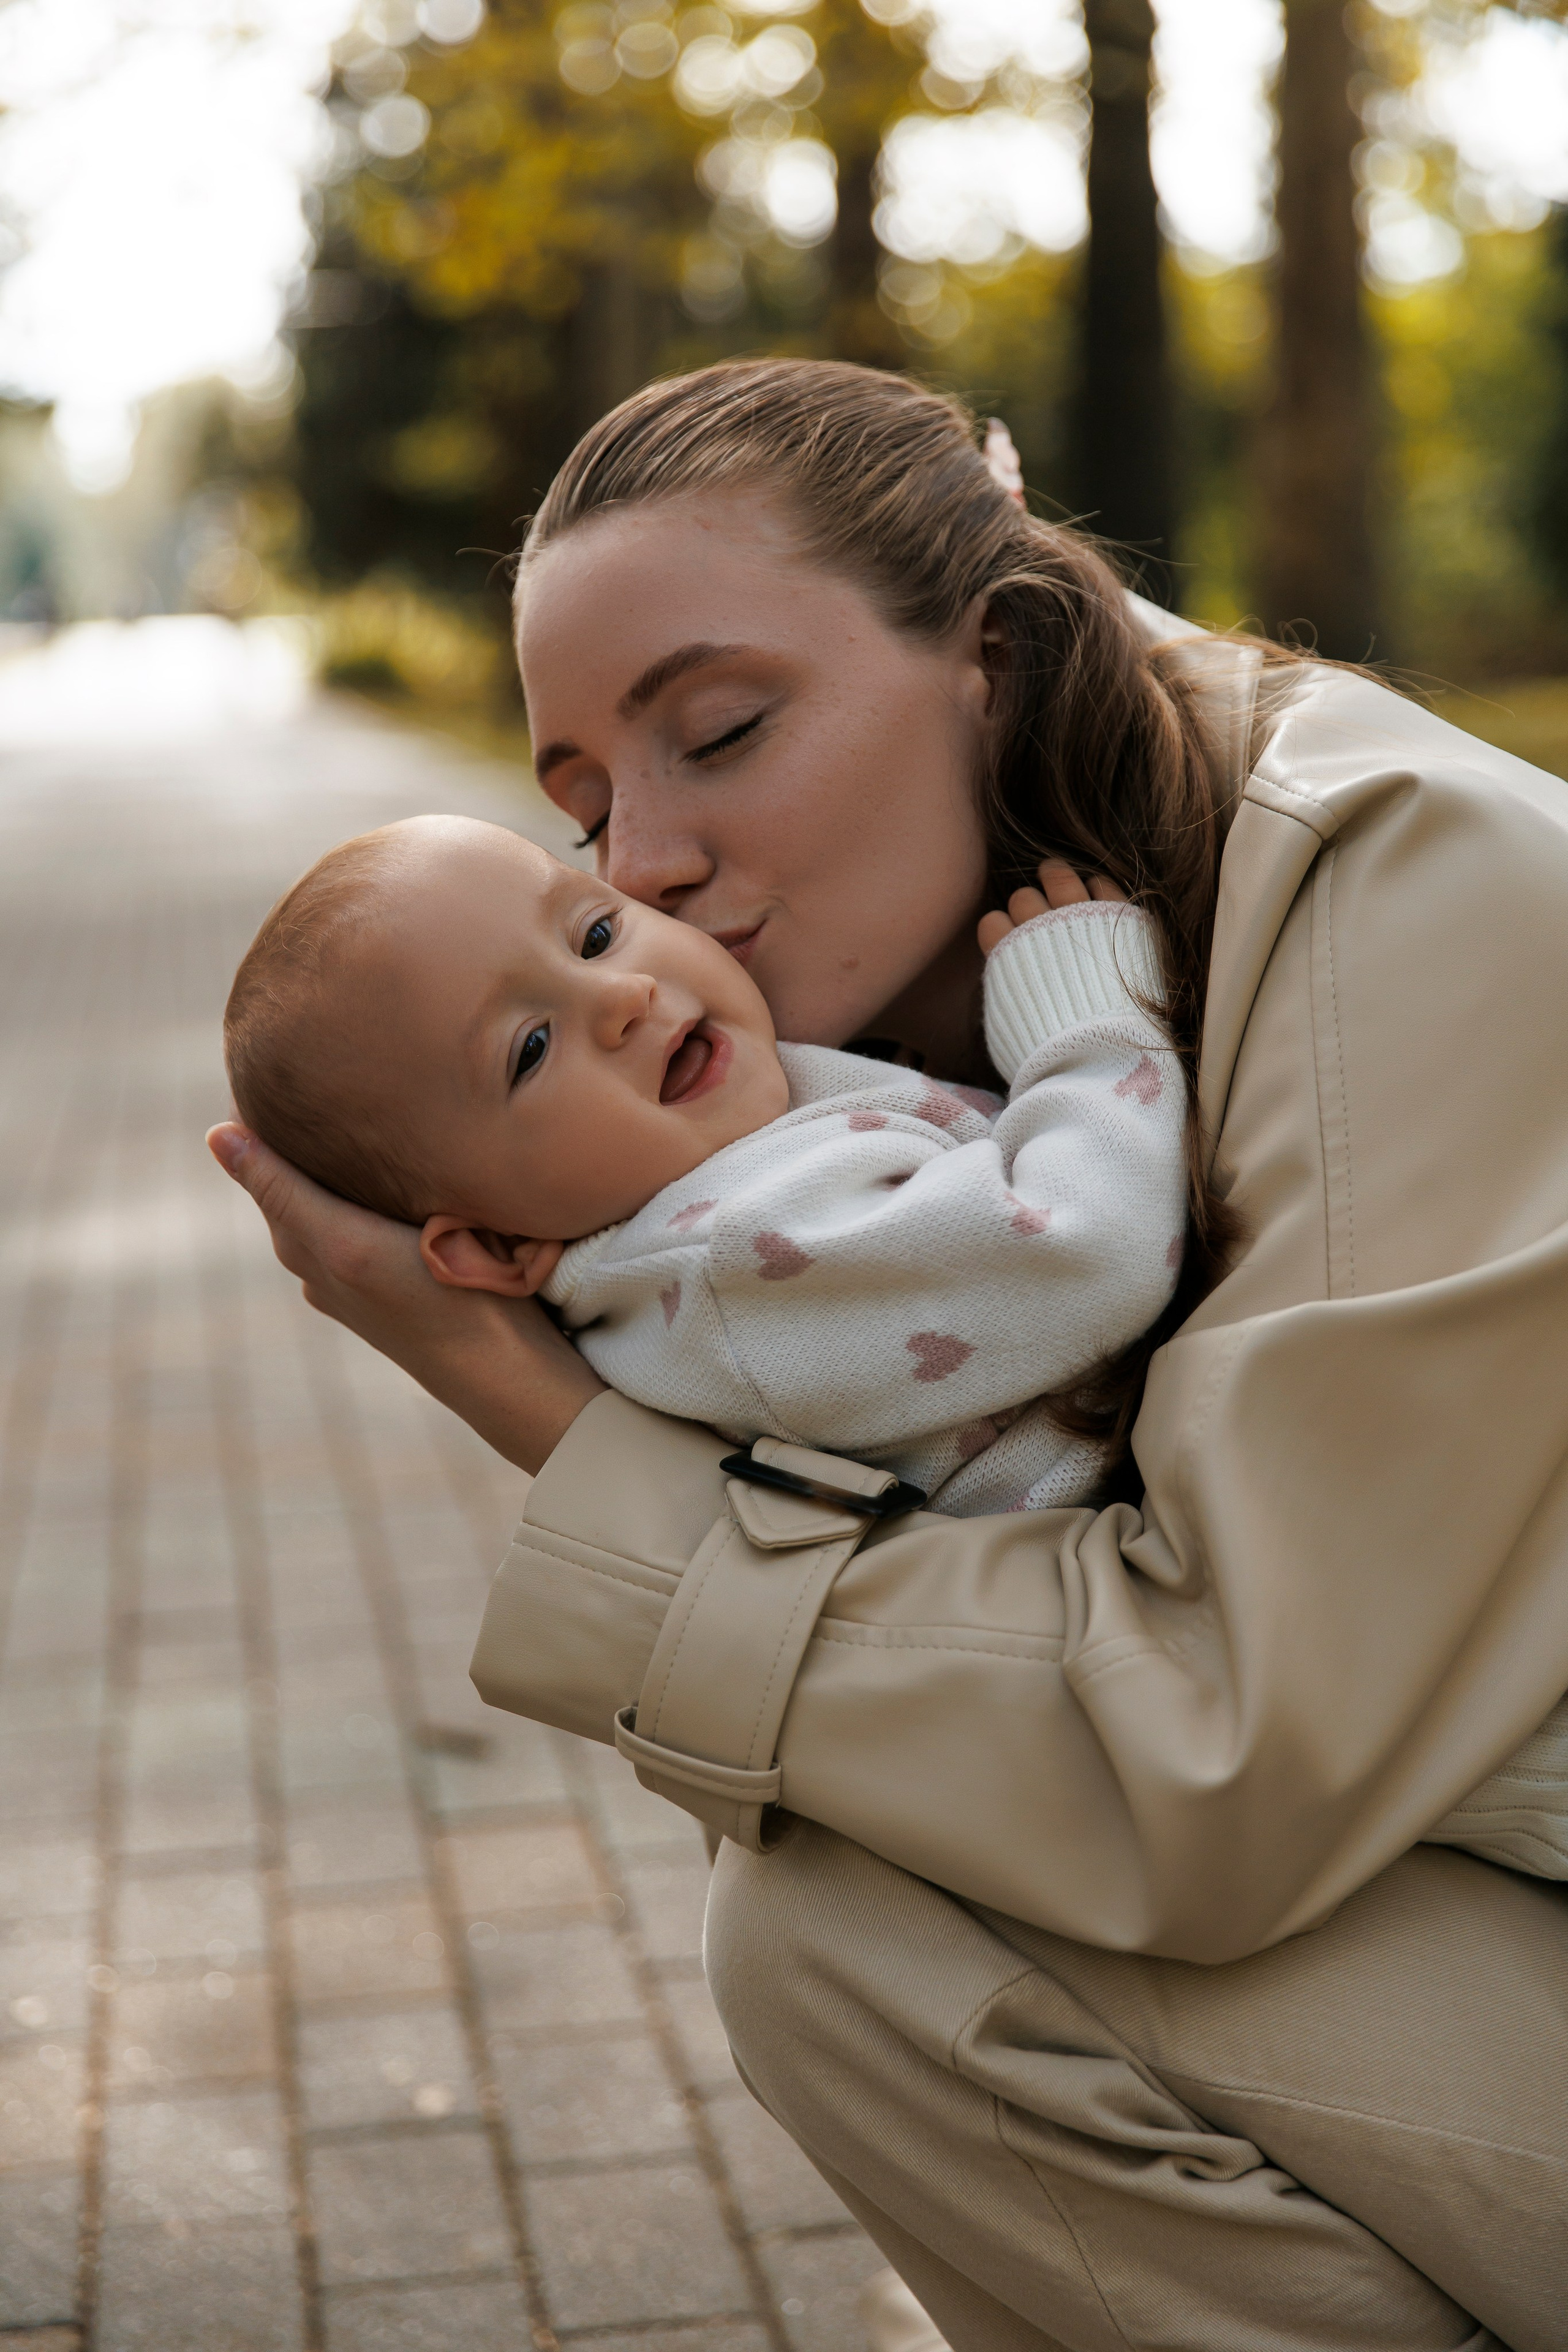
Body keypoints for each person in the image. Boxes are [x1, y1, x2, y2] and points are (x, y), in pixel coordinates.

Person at [209, 360, 1568, 2351]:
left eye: (721, 730)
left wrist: (526, 1405)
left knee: (853, 1945)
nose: (648, 865)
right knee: (848, 1905)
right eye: (585, 806)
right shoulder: (877, 1046)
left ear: (990, 657)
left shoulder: (1400, 891)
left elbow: (1206, 1754)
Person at [220, 815, 1185, 1516]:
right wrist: (1090, 1025)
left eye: (595, 933)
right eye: (530, 1049)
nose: (622, 997)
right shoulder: (730, 1263)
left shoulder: (728, 1151)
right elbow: (1084, 1250)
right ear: (490, 1242)